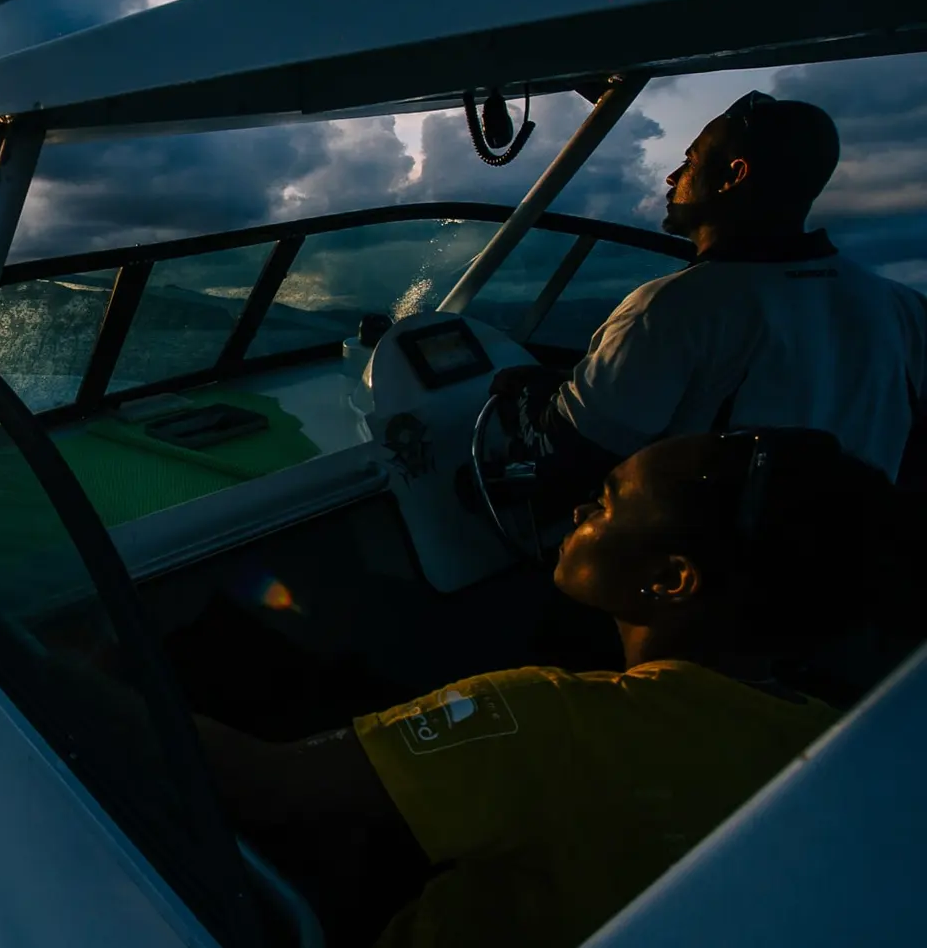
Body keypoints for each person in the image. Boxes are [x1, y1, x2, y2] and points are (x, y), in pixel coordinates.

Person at [197, 429, 908, 948]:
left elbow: (267, 790)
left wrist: (88, 677)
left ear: (670, 581)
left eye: (605, 503)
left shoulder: (547, 718)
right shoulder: (842, 744)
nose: (577, 513)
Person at [492, 93, 927, 506]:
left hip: (707, 573)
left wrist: (525, 391)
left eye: (690, 161)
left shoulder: (672, 309)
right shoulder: (902, 306)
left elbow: (573, 453)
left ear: (732, 176)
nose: (671, 176)